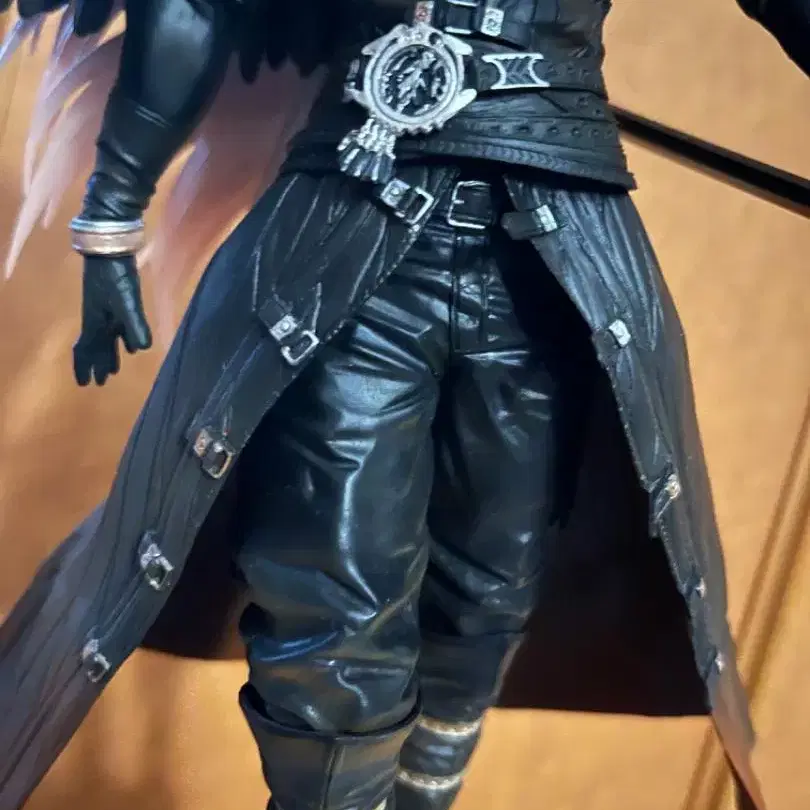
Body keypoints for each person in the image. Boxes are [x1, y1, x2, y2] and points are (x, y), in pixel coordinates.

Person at [0, 1, 806, 809]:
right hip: (348, 235)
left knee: (488, 593)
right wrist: (110, 216)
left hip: (548, 255)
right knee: (330, 591)